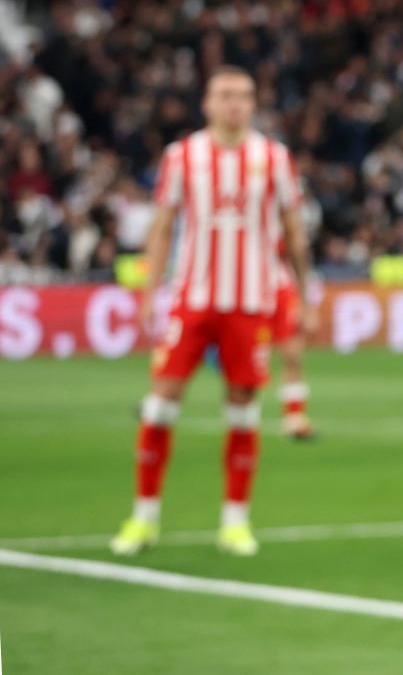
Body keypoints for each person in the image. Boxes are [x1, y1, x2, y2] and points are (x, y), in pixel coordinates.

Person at [110, 67, 311, 557]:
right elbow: (162, 227)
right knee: (160, 403)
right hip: (193, 299)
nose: (234, 104)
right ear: (206, 102)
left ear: (254, 103)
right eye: (224, 95)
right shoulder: (182, 157)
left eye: (243, 96)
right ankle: (144, 516)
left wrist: (305, 295)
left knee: (243, 409)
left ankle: (235, 522)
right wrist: (148, 291)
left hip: (251, 302)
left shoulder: (274, 158)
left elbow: (294, 230)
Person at [267, 254, 322, 438]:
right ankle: (242, 417)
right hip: (248, 289)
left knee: (292, 354)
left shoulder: (285, 226)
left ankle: (295, 417)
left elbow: (298, 253)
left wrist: (305, 303)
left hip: (282, 290)